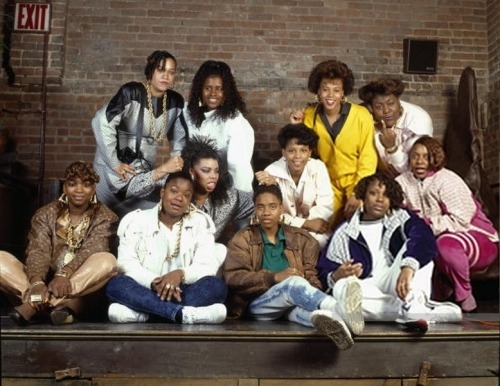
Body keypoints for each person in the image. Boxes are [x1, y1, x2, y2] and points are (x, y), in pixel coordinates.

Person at [224, 184, 363, 350]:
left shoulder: (302, 239)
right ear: (255, 209)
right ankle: (339, 309)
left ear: (281, 208)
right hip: (258, 306)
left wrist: (306, 292)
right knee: (293, 283)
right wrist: (272, 277)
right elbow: (234, 278)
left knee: (316, 315)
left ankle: (340, 328)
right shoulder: (243, 238)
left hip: (290, 306)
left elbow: (312, 278)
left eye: (272, 207)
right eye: (260, 207)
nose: (266, 212)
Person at [317, 172, 462, 331]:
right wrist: (338, 274)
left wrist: (408, 267)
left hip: (398, 280)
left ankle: (412, 306)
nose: (380, 199)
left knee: (418, 251)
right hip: (367, 287)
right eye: (373, 193)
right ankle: (416, 310)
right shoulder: (344, 232)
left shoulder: (401, 217)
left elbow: (424, 237)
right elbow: (324, 271)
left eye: (386, 195)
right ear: (363, 197)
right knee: (343, 290)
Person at [0, 161, 119, 325]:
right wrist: (37, 282)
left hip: (80, 293)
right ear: (64, 187)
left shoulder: (106, 217)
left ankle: (33, 305)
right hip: (42, 285)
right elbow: (38, 251)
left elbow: (92, 249)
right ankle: (47, 302)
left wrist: (64, 275)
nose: (79, 190)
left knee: (107, 261)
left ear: (93, 189)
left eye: (86, 185)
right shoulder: (45, 214)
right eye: (72, 184)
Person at [105, 171, 228, 324]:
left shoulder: (200, 222)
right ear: (163, 192)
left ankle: (147, 314)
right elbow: (126, 263)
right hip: (146, 287)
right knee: (116, 284)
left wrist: (179, 275)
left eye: (186, 195)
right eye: (174, 191)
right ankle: (181, 314)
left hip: (184, 290)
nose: (179, 198)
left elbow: (207, 266)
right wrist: (154, 282)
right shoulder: (136, 220)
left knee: (216, 286)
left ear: (190, 200)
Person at [396, 136, 499, 312]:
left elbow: (461, 219)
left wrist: (425, 225)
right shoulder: (402, 182)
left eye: (426, 156)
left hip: (475, 236)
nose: (420, 162)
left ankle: (464, 294)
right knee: (411, 244)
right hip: (431, 237)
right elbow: (395, 213)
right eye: (415, 156)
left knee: (444, 244)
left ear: (435, 158)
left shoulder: (447, 179)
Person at [92, 50, 187, 218]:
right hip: (113, 169)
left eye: (171, 72)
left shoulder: (175, 101)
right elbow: (101, 121)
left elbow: (180, 137)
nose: (166, 76)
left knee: (155, 213)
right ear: (151, 71)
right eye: (161, 70)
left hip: (142, 171)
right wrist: (115, 163)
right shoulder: (131, 92)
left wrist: (177, 163)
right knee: (103, 219)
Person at [290, 59, 377, 230]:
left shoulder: (361, 115)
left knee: (358, 226)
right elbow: (301, 152)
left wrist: (358, 193)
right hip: (327, 184)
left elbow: (368, 158)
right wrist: (295, 127)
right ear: (318, 92)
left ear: (344, 92)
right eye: (325, 90)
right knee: (323, 228)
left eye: (336, 90)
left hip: (358, 181)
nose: (330, 95)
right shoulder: (309, 116)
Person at [255, 123, 333, 247]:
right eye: (291, 151)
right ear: (284, 153)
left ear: (310, 153)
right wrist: (305, 224)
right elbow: (268, 213)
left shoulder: (318, 167)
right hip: (280, 228)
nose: (297, 156)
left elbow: (326, 204)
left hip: (314, 227)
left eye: (303, 151)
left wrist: (311, 226)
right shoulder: (270, 173)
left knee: (324, 243)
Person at [184, 60, 254, 192]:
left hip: (222, 187)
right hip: (192, 184)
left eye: (219, 89)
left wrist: (244, 202)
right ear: (200, 90)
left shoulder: (235, 120)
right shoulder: (188, 113)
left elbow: (239, 167)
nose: (213, 94)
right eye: (207, 88)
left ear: (227, 92)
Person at [181, 136, 254, 246]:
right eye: (206, 171)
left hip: (206, 258)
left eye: (216, 171)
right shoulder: (174, 191)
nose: (213, 176)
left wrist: (272, 183)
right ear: (191, 171)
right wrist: (160, 171)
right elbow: (145, 190)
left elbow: (258, 200)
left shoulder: (228, 198)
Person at [358, 77, 434, 176]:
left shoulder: (418, 119)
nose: (386, 111)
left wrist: (391, 148)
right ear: (371, 108)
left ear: (399, 101)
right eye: (378, 107)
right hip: (381, 178)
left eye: (391, 103)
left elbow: (414, 170)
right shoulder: (368, 119)